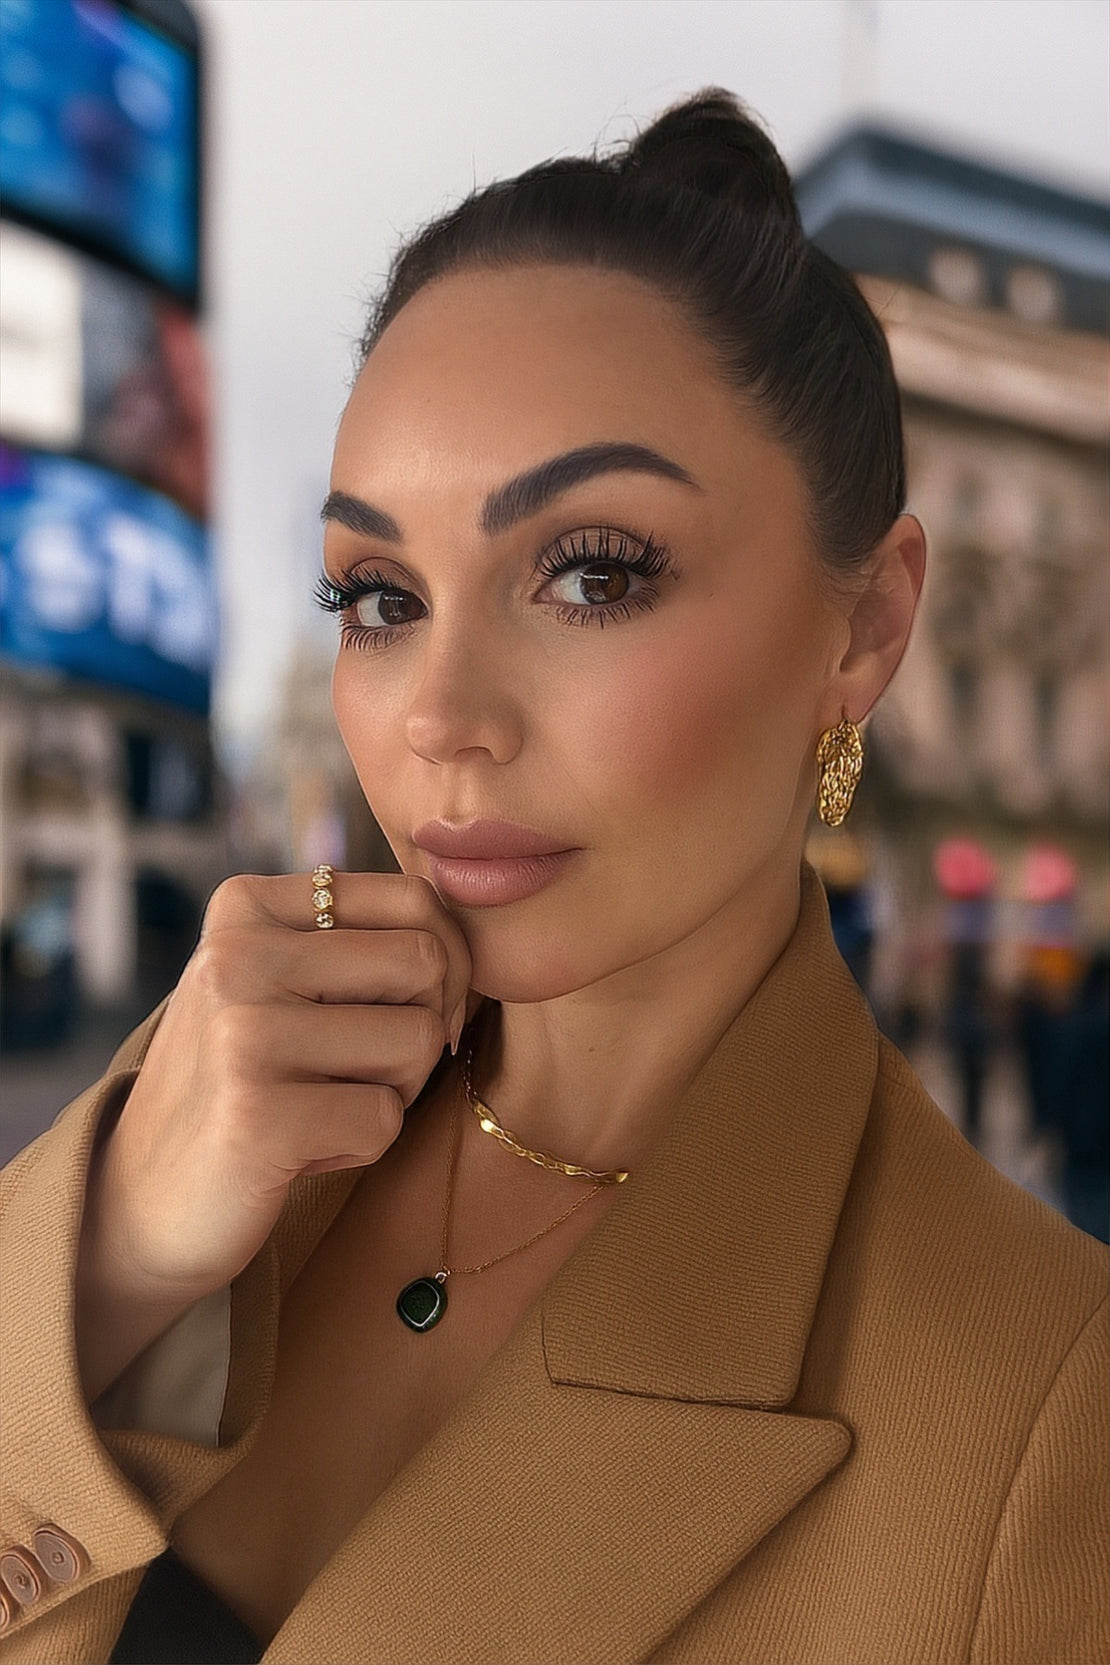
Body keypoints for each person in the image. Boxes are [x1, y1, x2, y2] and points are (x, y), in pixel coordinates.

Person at [1, 90, 1106, 1665]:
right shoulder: (190, 1097)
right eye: (378, 594)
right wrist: (104, 1265)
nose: (440, 717)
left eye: (593, 573)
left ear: (863, 627)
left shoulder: (1045, 1411)